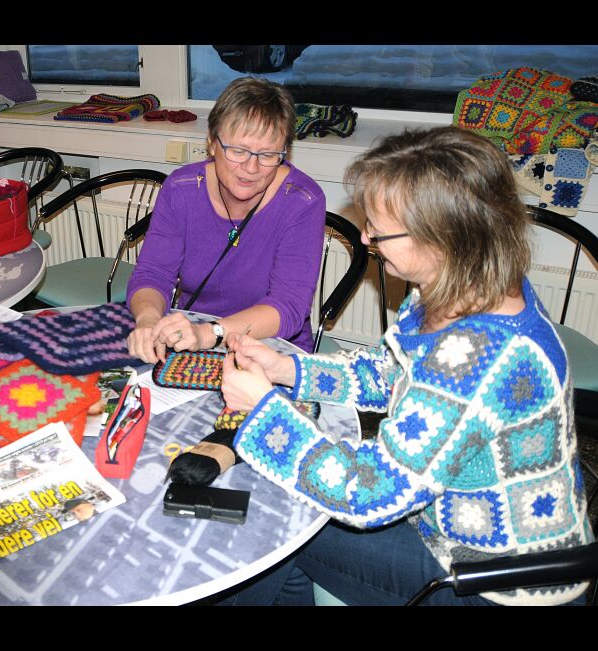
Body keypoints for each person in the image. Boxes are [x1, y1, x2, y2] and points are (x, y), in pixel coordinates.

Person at [219, 126, 592, 606]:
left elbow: (367, 495)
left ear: (442, 238)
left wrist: (264, 409)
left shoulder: (484, 354)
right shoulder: (467, 281)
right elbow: (390, 375)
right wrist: (287, 370)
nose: (367, 238)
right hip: (447, 519)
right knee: (286, 511)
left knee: (272, 519)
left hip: (492, 580)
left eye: (378, 228)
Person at [127, 77, 325, 363]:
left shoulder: (303, 201)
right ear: (212, 142)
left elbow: (288, 307)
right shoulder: (181, 189)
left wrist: (208, 334)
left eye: (268, 154)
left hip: (270, 350)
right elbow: (153, 274)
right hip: (192, 341)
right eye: (239, 151)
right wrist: (147, 321)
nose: (251, 167)